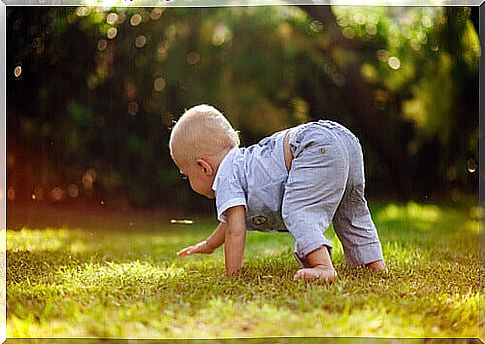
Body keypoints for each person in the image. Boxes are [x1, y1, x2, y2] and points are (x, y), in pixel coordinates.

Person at [169, 104, 385, 282]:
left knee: (297, 210)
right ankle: (372, 263)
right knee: (350, 210)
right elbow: (230, 222)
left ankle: (323, 267)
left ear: (203, 167)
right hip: (343, 140)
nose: (188, 181)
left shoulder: (225, 175)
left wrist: (232, 275)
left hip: (312, 146)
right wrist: (208, 245)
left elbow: (236, 229)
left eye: (186, 175)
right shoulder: (241, 165)